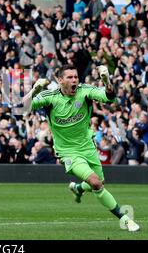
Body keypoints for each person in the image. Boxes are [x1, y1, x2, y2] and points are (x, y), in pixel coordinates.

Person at [26, 64, 140, 232]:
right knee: (95, 183)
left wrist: (107, 82)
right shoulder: (50, 97)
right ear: (60, 80)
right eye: (70, 77)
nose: (74, 81)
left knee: (99, 182)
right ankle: (125, 219)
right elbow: (21, 107)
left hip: (87, 147)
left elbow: (109, 97)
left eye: (76, 77)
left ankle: (77, 188)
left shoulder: (85, 91)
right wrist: (34, 90)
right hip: (68, 152)